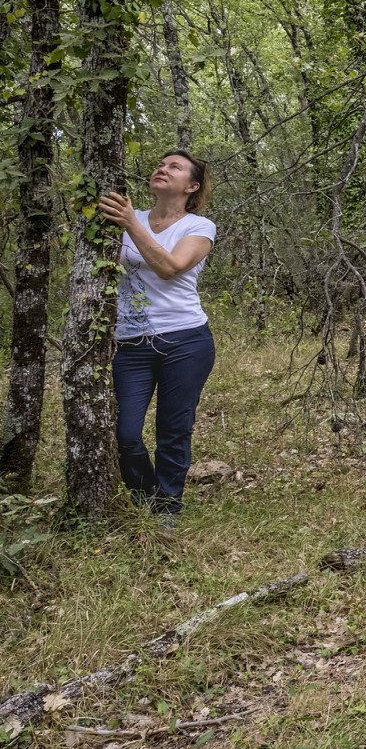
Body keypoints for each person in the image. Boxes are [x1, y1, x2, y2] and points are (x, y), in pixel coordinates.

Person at [97, 151, 217, 527]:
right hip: (130, 343)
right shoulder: (123, 220)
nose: (162, 169)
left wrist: (131, 223)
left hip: (185, 341)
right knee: (126, 433)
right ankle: (146, 496)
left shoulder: (199, 227)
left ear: (191, 186)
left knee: (173, 429)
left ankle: (167, 509)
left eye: (174, 167)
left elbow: (169, 268)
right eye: (161, 164)